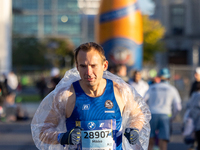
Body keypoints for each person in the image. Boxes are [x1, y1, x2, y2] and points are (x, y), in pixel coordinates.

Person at [31, 42, 151, 150]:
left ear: (104, 66)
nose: (89, 72)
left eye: (93, 66)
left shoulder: (120, 91)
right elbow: (43, 131)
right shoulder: (66, 96)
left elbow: (138, 116)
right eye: (83, 66)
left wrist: (134, 129)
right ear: (77, 67)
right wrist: (62, 137)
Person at [144, 68, 182, 150]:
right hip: (165, 115)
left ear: (159, 77)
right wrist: (173, 117)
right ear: (169, 78)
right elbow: (178, 107)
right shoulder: (172, 89)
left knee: (150, 140)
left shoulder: (152, 88)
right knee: (163, 141)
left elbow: (143, 101)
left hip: (152, 114)